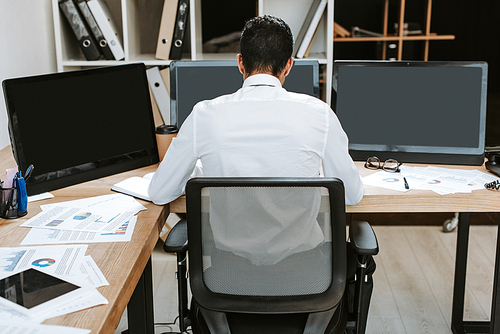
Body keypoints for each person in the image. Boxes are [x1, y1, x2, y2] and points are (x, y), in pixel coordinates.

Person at [148, 15, 375, 332]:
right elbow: (352, 195)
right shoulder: (319, 115)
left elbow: (159, 193)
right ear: (289, 65)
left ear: (240, 63)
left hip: (228, 280)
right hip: (308, 280)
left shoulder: (204, 116)